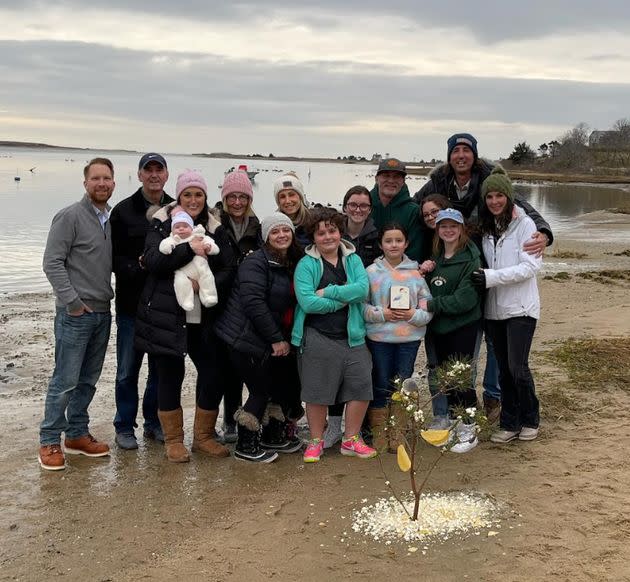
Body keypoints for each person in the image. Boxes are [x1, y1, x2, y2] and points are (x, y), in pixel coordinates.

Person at [413, 133, 552, 421]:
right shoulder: (439, 181)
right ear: (449, 156)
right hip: (456, 261)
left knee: (493, 344)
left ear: (474, 155)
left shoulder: (490, 178)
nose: (461, 156)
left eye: (466, 150)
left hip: (485, 263)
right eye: (455, 151)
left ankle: (493, 397)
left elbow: (522, 206)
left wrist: (545, 231)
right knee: (483, 338)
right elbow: (415, 207)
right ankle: (452, 412)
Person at [135, 170, 236, 463]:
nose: (193, 200)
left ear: (206, 198)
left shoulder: (216, 227)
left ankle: (204, 437)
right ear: (178, 196)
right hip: (168, 315)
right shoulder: (161, 224)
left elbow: (229, 269)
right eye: (187, 194)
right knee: (169, 376)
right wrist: (187, 250)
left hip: (205, 317)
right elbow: (153, 261)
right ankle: (174, 440)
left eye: (199, 194)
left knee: (213, 373)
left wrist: (202, 283)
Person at [38, 158, 116, 471]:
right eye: (95, 178)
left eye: (106, 178)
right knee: (65, 380)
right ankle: (49, 440)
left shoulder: (109, 219)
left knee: (88, 380)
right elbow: (52, 262)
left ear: (113, 183)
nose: (101, 183)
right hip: (76, 314)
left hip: (102, 311)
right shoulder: (70, 216)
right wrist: (71, 302)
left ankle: (77, 434)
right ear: (85, 183)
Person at [215, 213, 304, 462]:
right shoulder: (255, 262)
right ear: (266, 237)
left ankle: (272, 436)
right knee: (260, 390)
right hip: (244, 337)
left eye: (285, 230)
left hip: (267, 336)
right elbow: (254, 303)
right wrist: (276, 338)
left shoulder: (291, 261)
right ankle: (245, 445)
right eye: (274, 232)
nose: (281, 235)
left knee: (277, 387)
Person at [292, 207, 376, 463]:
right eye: (321, 233)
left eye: (332, 230)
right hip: (318, 335)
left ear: (340, 231)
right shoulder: (306, 264)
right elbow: (308, 303)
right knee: (317, 392)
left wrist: (328, 292)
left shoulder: (353, 259)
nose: (327, 237)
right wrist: (343, 298)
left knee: (361, 387)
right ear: (313, 238)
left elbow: (362, 290)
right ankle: (316, 440)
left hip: (353, 335)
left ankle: (351, 439)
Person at [472, 167, 542, 443]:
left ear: (509, 197)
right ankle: (509, 422)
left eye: (500, 195)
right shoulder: (487, 228)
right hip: (495, 310)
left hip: (521, 308)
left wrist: (491, 277)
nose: (494, 201)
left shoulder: (525, 225)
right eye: (489, 196)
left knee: (518, 366)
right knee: (502, 368)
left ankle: (531, 417)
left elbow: (529, 268)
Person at [110, 152, 173, 450]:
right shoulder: (123, 211)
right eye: (147, 170)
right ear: (139, 175)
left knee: (159, 372)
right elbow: (114, 260)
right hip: (131, 306)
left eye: (158, 170)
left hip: (164, 306)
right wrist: (141, 267)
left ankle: (153, 422)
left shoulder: (177, 208)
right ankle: (124, 425)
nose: (153, 175)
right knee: (127, 370)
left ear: (166, 175)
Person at [363, 223, 432, 451]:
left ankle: (398, 432)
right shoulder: (370, 273)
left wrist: (414, 315)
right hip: (379, 339)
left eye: (398, 240)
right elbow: (361, 307)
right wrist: (382, 313)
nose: (394, 245)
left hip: (408, 340)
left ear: (406, 243)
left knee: (402, 383)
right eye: (388, 241)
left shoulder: (416, 274)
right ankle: (380, 433)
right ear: (381, 244)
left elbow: (427, 307)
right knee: (381, 382)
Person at [419, 208, 482, 453]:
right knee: (443, 377)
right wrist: (423, 271)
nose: (448, 230)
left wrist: (433, 305)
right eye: (443, 226)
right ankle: (455, 422)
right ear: (438, 229)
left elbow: (465, 299)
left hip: (462, 326)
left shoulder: (471, 258)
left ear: (461, 228)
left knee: (461, 377)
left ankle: (469, 425)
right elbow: (424, 286)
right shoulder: (436, 256)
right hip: (437, 328)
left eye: (453, 226)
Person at [323, 185, 380, 448]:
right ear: (345, 206)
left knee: (360, 373)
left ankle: (359, 428)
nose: (358, 210)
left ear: (370, 209)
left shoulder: (376, 235)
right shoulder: (333, 231)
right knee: (333, 372)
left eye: (364, 206)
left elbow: (365, 284)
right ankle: (333, 427)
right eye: (353, 204)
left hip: (363, 312)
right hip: (333, 313)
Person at [212, 169, 261, 443]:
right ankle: (219, 424)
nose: (238, 202)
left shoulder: (257, 226)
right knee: (217, 368)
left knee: (240, 366)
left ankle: (237, 419)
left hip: (243, 305)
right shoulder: (213, 222)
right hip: (217, 302)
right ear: (225, 197)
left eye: (243, 196)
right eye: (232, 196)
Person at [159, 208, 220, 311]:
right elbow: (163, 246)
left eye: (185, 226)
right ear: (172, 230)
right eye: (177, 227)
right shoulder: (173, 239)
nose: (181, 229)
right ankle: (185, 301)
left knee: (208, 278)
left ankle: (209, 297)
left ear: (192, 228)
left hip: (201, 267)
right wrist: (167, 248)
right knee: (181, 283)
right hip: (183, 271)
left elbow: (214, 246)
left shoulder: (199, 237)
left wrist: (209, 248)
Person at [369, 158, 423, 261]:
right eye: (386, 176)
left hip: (401, 271)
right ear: (376, 179)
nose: (391, 180)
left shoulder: (413, 211)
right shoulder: (364, 206)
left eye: (396, 177)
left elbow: (415, 251)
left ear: (403, 181)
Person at [274, 172, 311, 247]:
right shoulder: (272, 225)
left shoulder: (313, 222)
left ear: (300, 197)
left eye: (291, 195)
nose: (287, 201)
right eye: (282, 196)